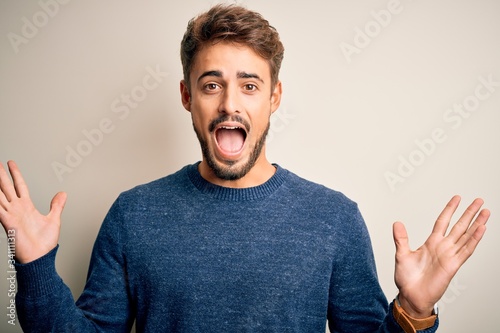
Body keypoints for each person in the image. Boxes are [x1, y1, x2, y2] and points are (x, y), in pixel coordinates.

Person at [0, 4, 490, 333]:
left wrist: (413, 310)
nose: (229, 103)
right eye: (211, 85)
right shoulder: (133, 215)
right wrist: (35, 265)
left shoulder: (334, 219)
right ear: (187, 97)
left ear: (274, 97)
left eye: (250, 86)